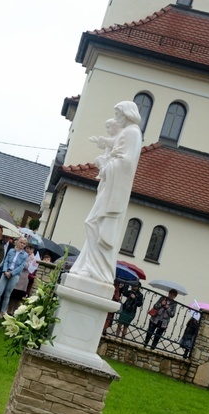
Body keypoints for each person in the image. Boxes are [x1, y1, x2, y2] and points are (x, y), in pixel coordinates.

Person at [71, 101, 142, 285]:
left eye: (119, 115)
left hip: (114, 188)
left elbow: (125, 163)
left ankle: (98, 271)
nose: (117, 119)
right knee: (93, 223)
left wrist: (104, 165)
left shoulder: (132, 132)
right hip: (109, 185)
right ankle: (88, 267)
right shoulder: (127, 132)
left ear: (127, 114)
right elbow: (116, 149)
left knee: (95, 223)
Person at [0, 236, 29, 318]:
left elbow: (21, 267)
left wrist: (11, 273)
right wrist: (5, 271)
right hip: (6, 272)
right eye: (21, 242)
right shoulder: (11, 251)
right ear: (18, 242)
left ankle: (2, 311)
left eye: (24, 243)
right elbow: (6, 261)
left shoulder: (25, 255)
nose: (22, 244)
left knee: (7, 294)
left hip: (14, 275)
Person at [7, 242, 38, 315]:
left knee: (19, 297)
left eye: (29, 249)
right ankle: (9, 310)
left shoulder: (34, 258)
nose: (27, 250)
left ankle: (15, 312)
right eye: (26, 248)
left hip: (24, 278)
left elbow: (27, 266)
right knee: (12, 294)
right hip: (17, 275)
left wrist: (22, 263)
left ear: (32, 250)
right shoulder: (22, 254)